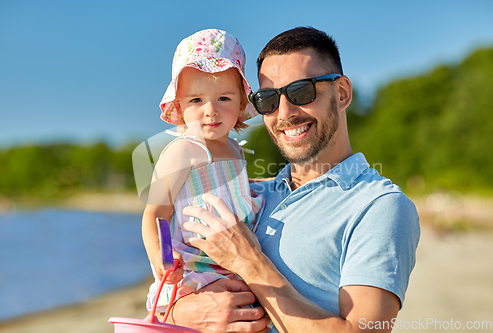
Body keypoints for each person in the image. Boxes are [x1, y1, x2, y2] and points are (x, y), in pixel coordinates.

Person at [169, 27, 421, 333]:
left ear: (342, 93)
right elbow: (173, 285)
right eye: (268, 99)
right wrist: (180, 313)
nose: (285, 113)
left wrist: (249, 261)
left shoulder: (379, 207)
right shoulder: (249, 194)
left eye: (302, 91)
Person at [141, 28, 263, 313]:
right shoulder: (183, 150)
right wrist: (162, 256)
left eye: (223, 98)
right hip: (198, 267)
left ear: (241, 102)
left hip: (239, 261)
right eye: (196, 100)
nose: (211, 111)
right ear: (179, 105)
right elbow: (156, 212)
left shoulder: (236, 148)